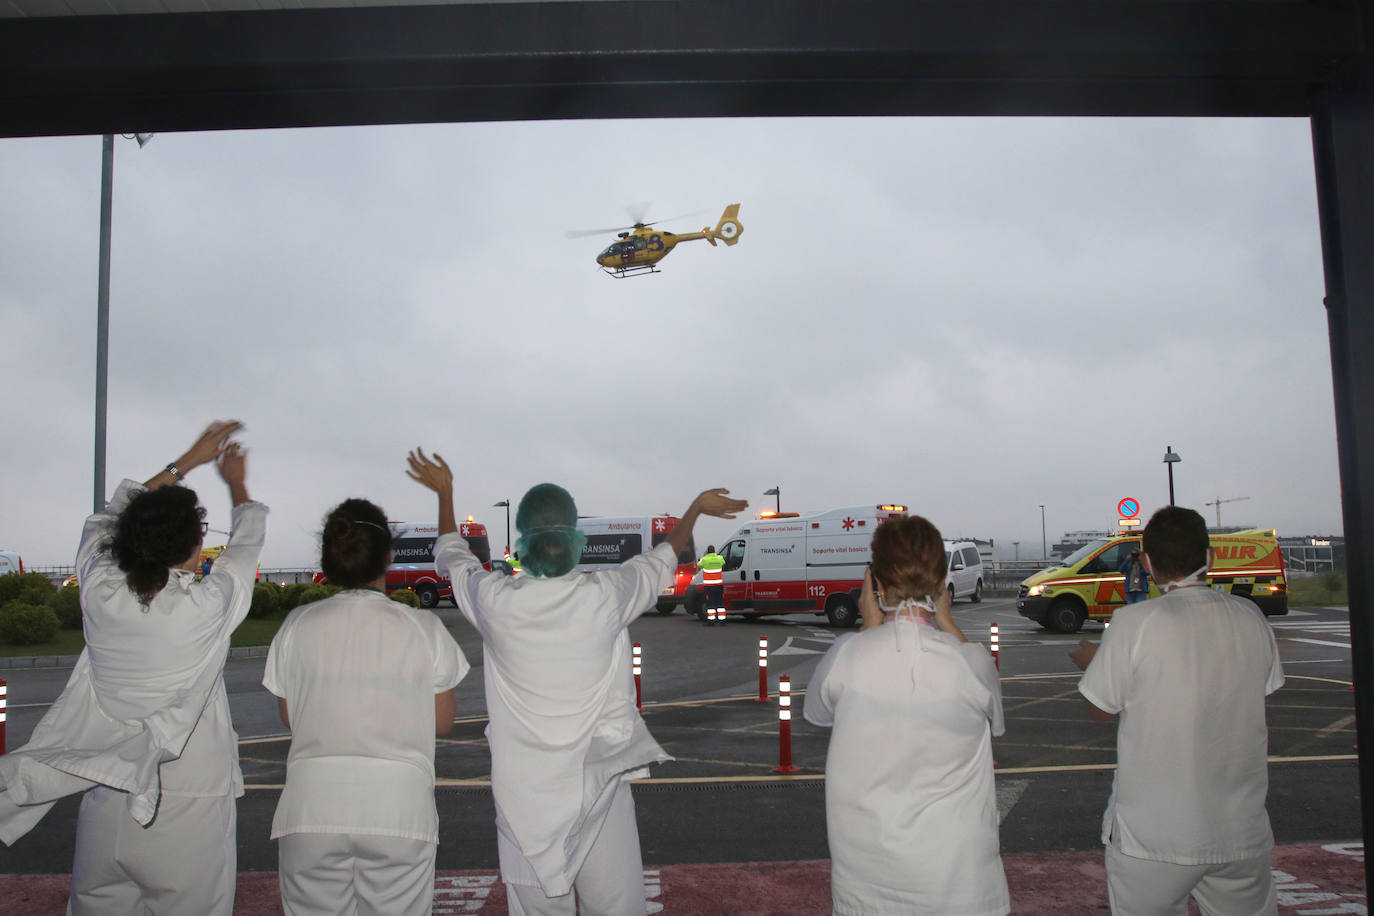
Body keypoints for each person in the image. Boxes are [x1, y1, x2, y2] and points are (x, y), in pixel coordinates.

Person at [406, 448, 746, 916]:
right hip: (600, 797)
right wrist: (694, 509)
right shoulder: (605, 596)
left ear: (523, 541)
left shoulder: (494, 602)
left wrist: (445, 493)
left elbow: (453, 555)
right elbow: (663, 557)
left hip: (525, 809)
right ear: (574, 538)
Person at [0, 420, 265, 916]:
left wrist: (186, 462)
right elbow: (247, 542)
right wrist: (237, 483)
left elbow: (107, 519)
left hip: (105, 802)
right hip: (189, 806)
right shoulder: (206, 607)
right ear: (195, 543)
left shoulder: (100, 590)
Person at [1069, 506, 1284, 916]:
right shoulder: (1250, 616)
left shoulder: (1133, 623)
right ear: (1210, 557)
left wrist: (1096, 663)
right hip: (1240, 832)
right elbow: (1258, 686)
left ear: (1147, 563)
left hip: (1153, 838)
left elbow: (1100, 710)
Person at [263, 497, 468, 916]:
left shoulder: (297, 623)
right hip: (398, 811)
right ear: (387, 556)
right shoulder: (423, 627)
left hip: (310, 810)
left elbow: (289, 715)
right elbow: (443, 720)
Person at [803, 514, 1009, 916]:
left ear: (876, 584)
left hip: (867, 883)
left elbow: (818, 713)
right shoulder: (970, 662)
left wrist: (868, 626)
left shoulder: (846, 657)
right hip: (961, 882)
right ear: (941, 584)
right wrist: (947, 623)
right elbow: (995, 721)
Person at [697, 544, 725, 626]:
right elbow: (723, 562)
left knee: (710, 603)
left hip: (709, 586)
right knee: (720, 603)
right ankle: (722, 620)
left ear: (707, 551)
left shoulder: (705, 559)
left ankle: (711, 621)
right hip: (719, 585)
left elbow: (699, 565)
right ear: (714, 551)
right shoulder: (719, 558)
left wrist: (704, 556)